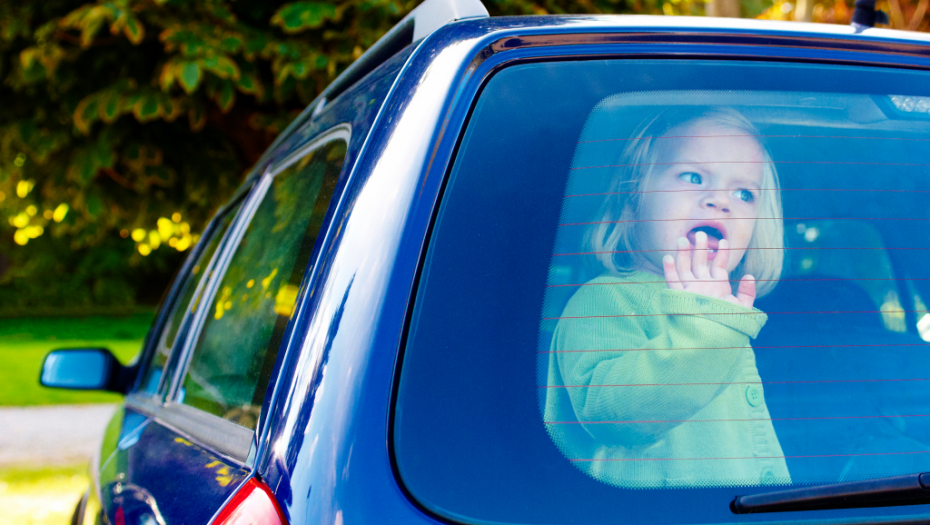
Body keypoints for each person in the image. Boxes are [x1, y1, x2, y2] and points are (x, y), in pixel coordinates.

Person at [544, 107, 790, 488]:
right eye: (694, 177)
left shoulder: (725, 310)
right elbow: (613, 416)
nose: (720, 201)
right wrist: (707, 328)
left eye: (744, 193)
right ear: (633, 200)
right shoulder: (602, 301)